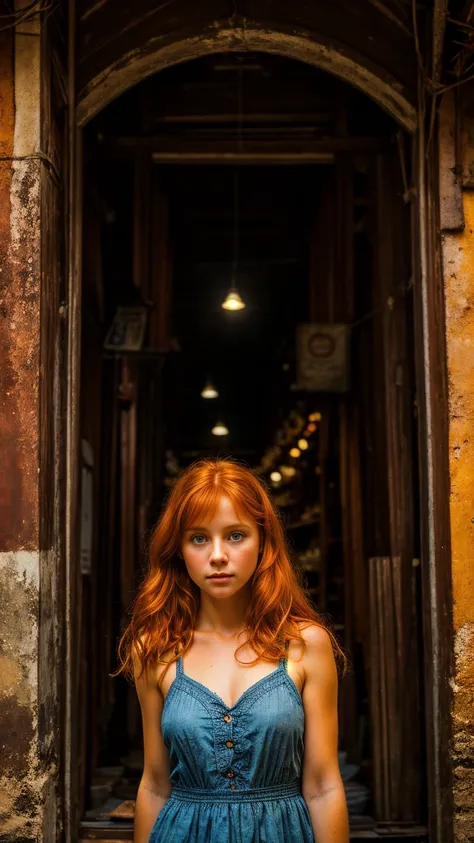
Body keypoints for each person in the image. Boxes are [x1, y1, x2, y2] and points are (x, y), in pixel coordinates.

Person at [116, 458, 349, 843]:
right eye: (199, 538)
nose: (218, 555)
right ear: (179, 551)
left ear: (263, 543)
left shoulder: (306, 645)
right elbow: (155, 784)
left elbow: (323, 786)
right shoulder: (155, 648)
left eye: (236, 535)